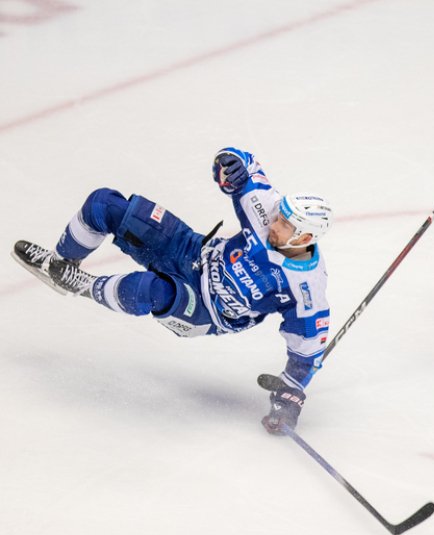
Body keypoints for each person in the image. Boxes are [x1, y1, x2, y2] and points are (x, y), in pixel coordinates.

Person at [12, 147, 332, 434]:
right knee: (104, 204)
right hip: (191, 251)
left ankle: (81, 286)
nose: (275, 223)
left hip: (207, 311)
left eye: (286, 225)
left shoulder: (305, 287)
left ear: (304, 238)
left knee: (149, 289)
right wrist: (230, 163)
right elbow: (246, 168)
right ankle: (62, 265)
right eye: (279, 216)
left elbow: (307, 347)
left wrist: (291, 393)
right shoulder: (269, 210)